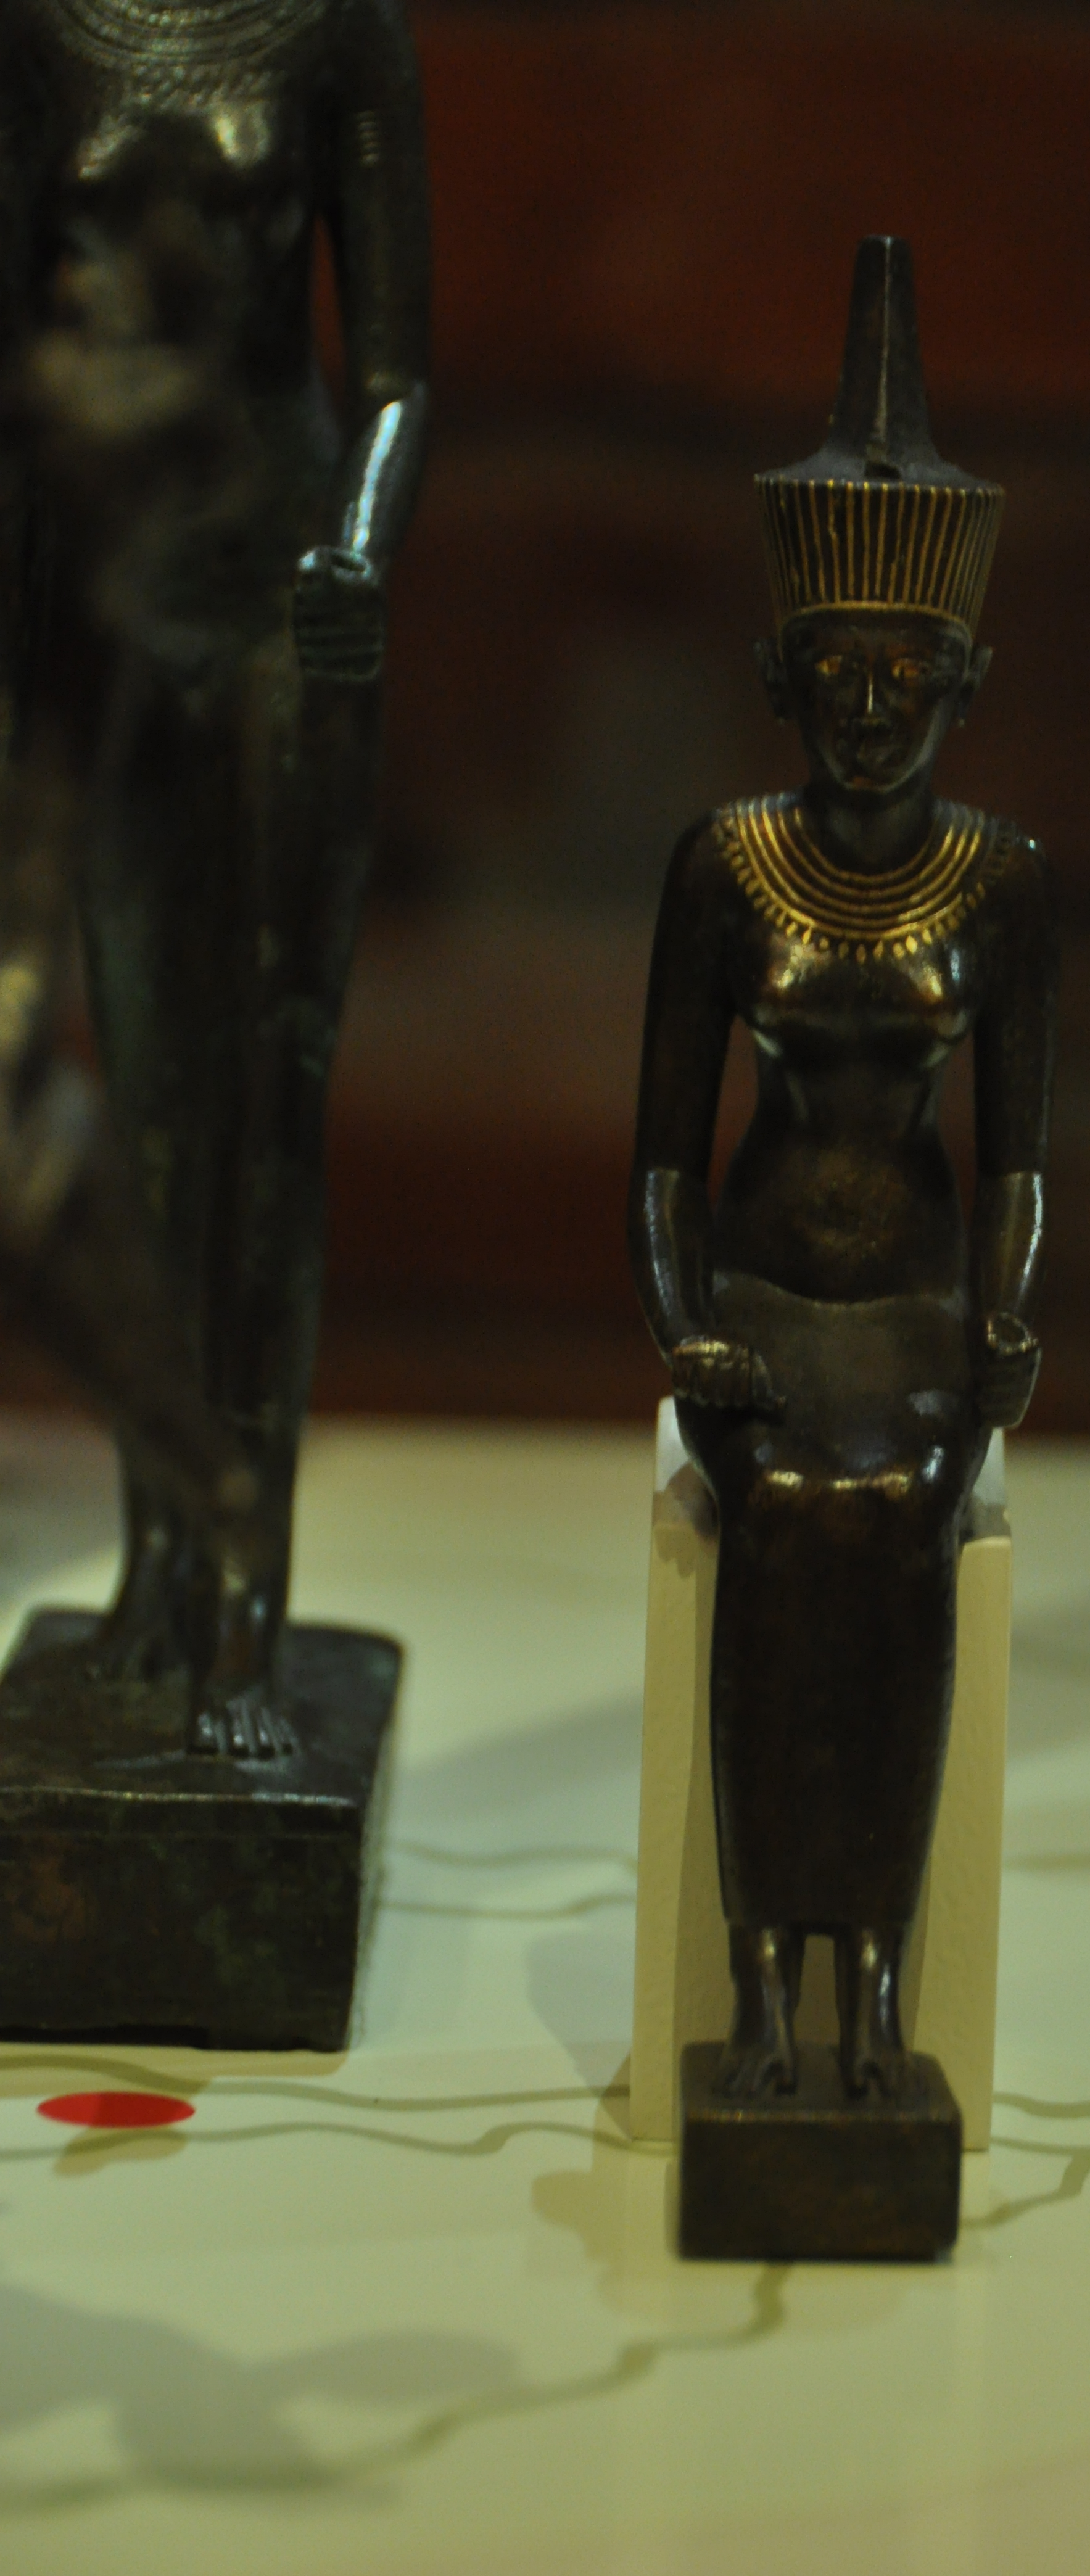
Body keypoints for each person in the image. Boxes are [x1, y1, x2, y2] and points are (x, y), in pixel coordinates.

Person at [630, 237, 1056, 2100]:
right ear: (778, 676)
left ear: (966, 679)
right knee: (795, 1512)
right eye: (835, 671)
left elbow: (1019, 1161)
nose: (870, 709)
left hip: (914, 1308)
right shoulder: (724, 865)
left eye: (905, 674)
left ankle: (873, 1979)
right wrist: (682, 1328)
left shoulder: (1003, 881)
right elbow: (663, 1160)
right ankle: (757, 1981)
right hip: (765, 1298)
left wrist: (1007, 1319)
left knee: (898, 1523)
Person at [1, 0, 429, 1753]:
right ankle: (160, 1555)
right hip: (109, 603)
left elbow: (395, 377)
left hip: (283, 603)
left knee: (267, 1103)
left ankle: (249, 1589)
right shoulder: (44, 27)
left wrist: (361, 549)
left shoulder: (335, 25)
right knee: (134, 1102)